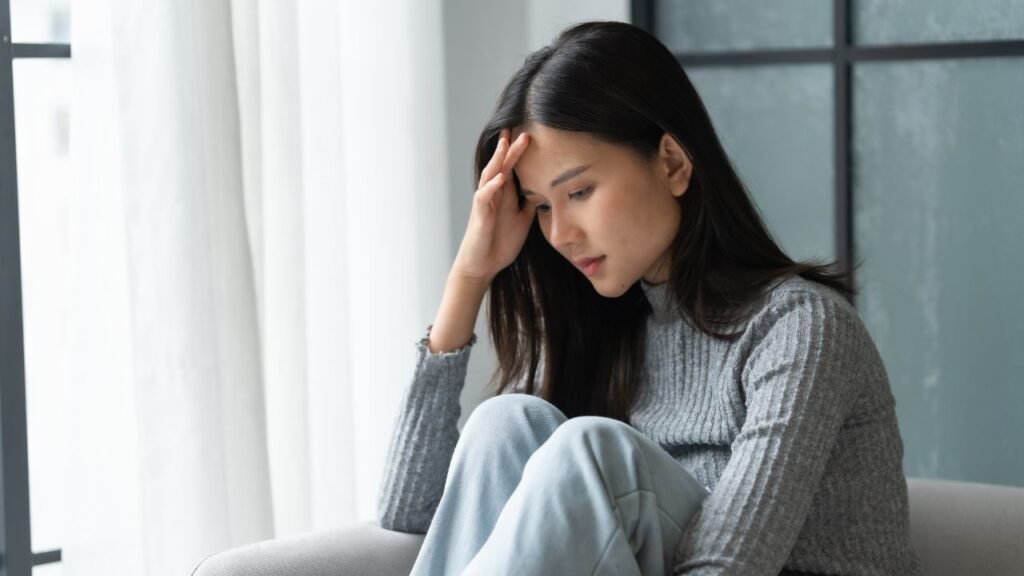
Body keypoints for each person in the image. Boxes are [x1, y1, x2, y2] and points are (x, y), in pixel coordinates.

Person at [377, 21, 921, 576]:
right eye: (541, 206)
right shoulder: (611, 327)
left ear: (672, 163)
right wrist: (469, 276)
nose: (560, 232)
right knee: (504, 423)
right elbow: (411, 511)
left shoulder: (800, 330)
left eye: (579, 192)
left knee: (592, 449)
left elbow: (723, 568)